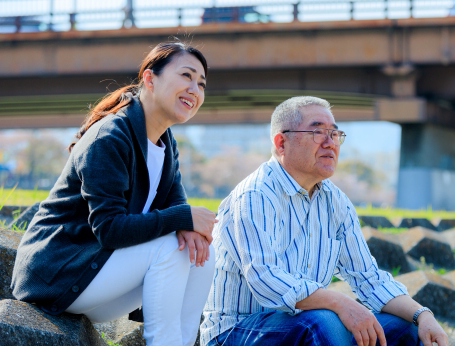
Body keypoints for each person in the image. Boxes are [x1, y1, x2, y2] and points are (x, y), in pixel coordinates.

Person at [11, 42, 217, 346]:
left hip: (99, 280)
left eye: (201, 83)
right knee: (171, 247)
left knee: (201, 247)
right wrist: (184, 217)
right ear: (150, 79)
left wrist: (188, 222)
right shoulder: (110, 137)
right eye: (186, 76)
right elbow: (110, 229)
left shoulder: (165, 143)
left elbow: (176, 206)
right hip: (58, 276)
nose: (195, 89)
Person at [201, 96, 448, 346]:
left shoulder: (335, 201)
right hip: (236, 332)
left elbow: (368, 278)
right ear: (281, 142)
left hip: (308, 324)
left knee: (401, 329)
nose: (331, 143)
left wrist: (422, 315)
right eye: (318, 132)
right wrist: (341, 303)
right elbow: (266, 280)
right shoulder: (255, 195)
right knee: (324, 323)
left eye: (335, 134)